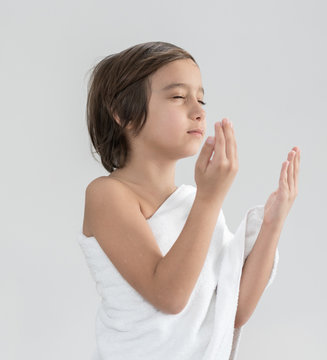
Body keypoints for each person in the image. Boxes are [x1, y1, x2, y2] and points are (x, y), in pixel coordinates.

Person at [78, 41, 300, 360]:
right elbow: (168, 295)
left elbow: (231, 310)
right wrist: (210, 198)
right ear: (123, 113)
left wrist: (272, 223)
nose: (198, 111)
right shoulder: (107, 195)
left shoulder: (194, 202)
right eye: (179, 97)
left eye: (201, 98)